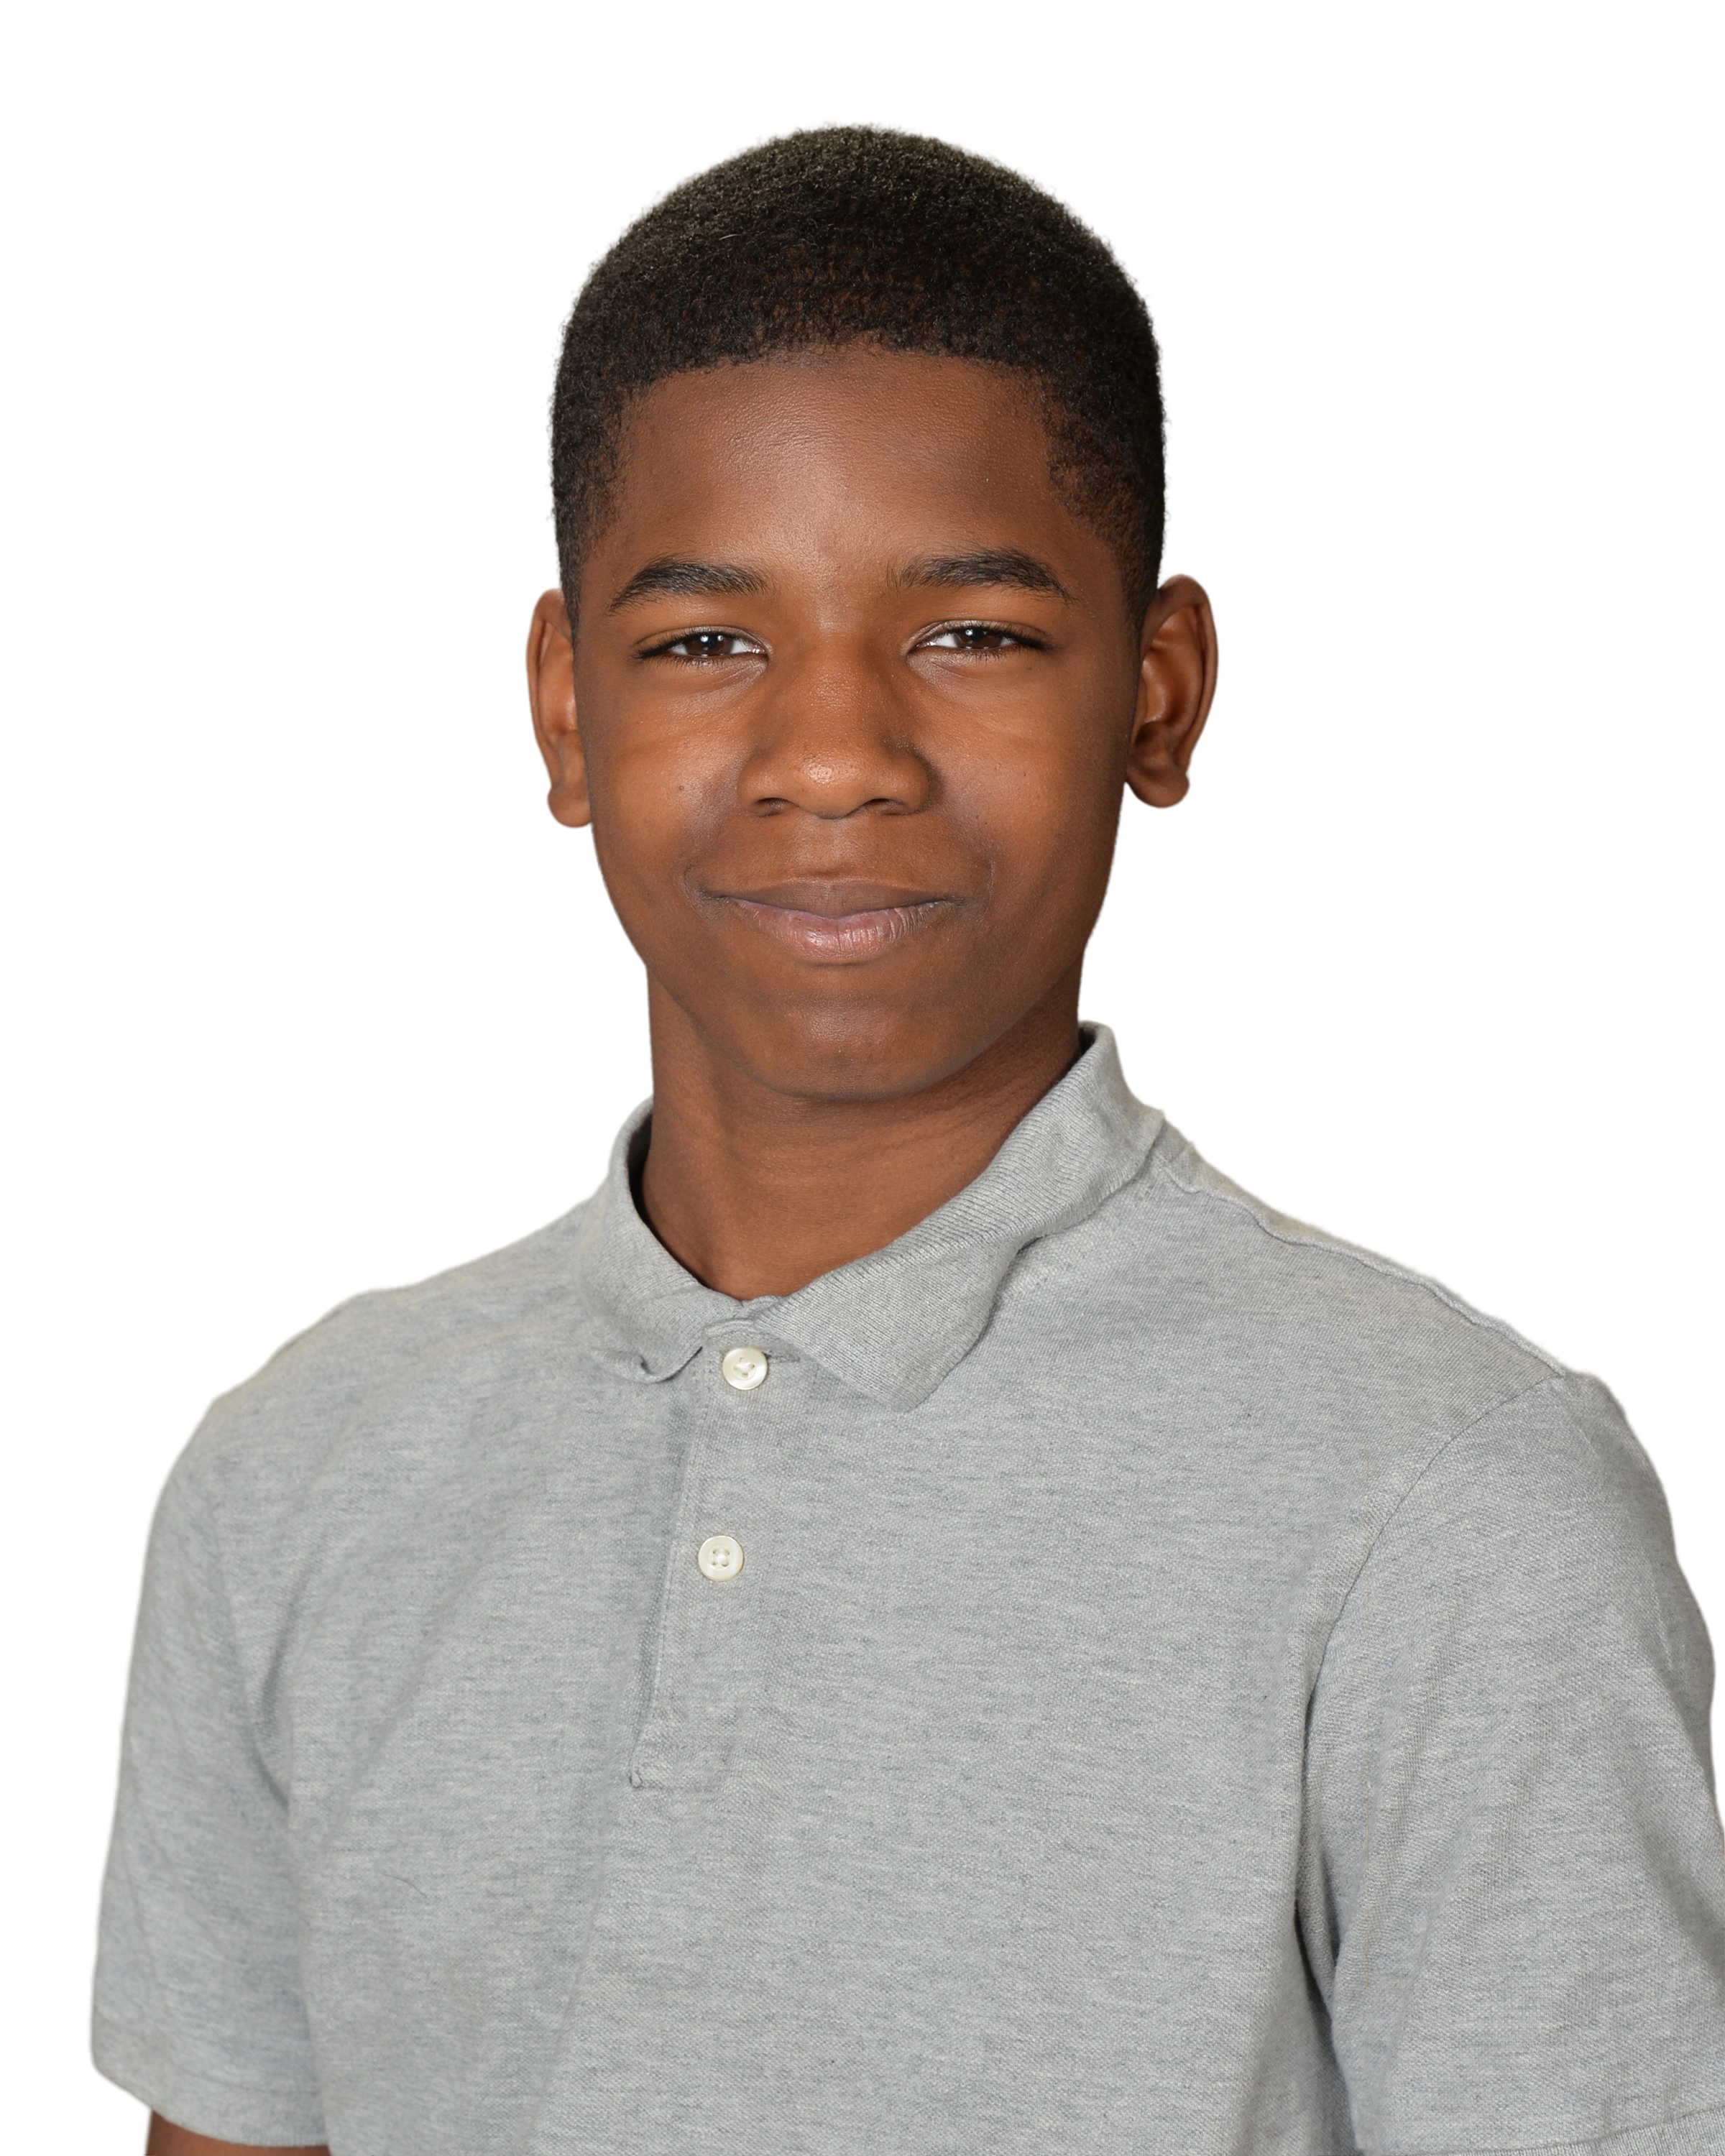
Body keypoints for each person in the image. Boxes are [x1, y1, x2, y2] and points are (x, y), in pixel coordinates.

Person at [88, 118, 1725, 2156]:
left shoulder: (1455, 1498)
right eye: (706, 641)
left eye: (973, 634)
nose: (836, 756)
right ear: (566, 709)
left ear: (1162, 695)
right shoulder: (300, 1464)